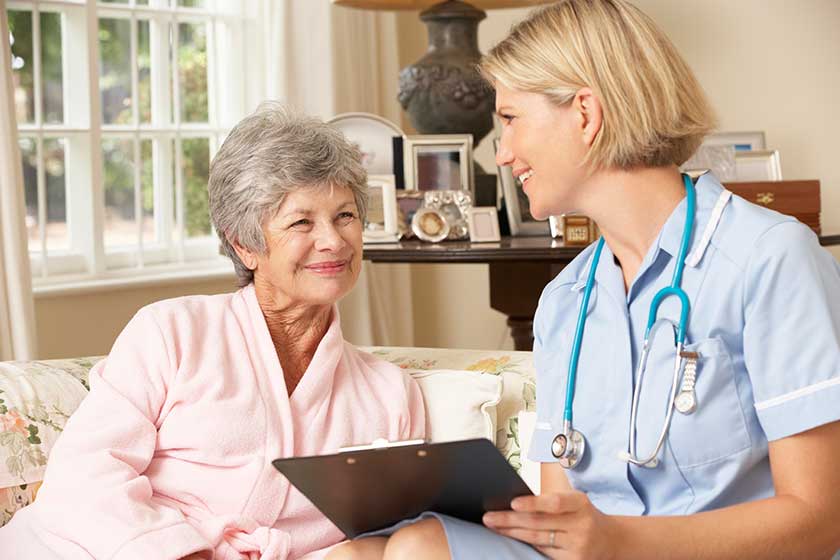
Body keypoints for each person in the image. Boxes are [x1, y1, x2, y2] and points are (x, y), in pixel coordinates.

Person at [329, 1, 840, 558]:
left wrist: (621, 542)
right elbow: (560, 509)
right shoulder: (567, 298)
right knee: (373, 550)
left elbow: (820, 520)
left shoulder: (769, 258)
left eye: (511, 119)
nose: (501, 154)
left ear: (585, 114)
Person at [0, 103, 426, 560]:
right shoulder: (172, 333)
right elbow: (86, 473)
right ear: (244, 244)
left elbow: (392, 535)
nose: (334, 241)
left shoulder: (389, 394)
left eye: (345, 216)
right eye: (302, 221)